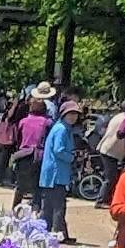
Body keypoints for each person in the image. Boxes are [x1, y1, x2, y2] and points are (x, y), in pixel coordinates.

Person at [37, 101, 83, 240]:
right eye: (70, 114)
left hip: (55, 174)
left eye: (75, 114)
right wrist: (72, 157)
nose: (73, 117)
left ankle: (50, 233)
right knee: (57, 206)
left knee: (51, 206)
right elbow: (59, 150)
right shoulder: (62, 129)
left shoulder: (63, 128)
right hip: (56, 174)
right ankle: (57, 234)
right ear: (64, 114)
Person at [13, 95, 51, 205]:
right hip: (39, 156)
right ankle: (36, 211)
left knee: (20, 186)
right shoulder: (47, 122)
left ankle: (15, 210)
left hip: (23, 155)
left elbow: (18, 140)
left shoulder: (23, 122)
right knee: (37, 188)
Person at [0, 90, 19, 184]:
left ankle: (1, 178)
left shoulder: (2, 109)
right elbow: (8, 117)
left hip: (4, 138)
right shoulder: (5, 110)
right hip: (5, 139)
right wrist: (14, 105)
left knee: (5, 160)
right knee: (2, 160)